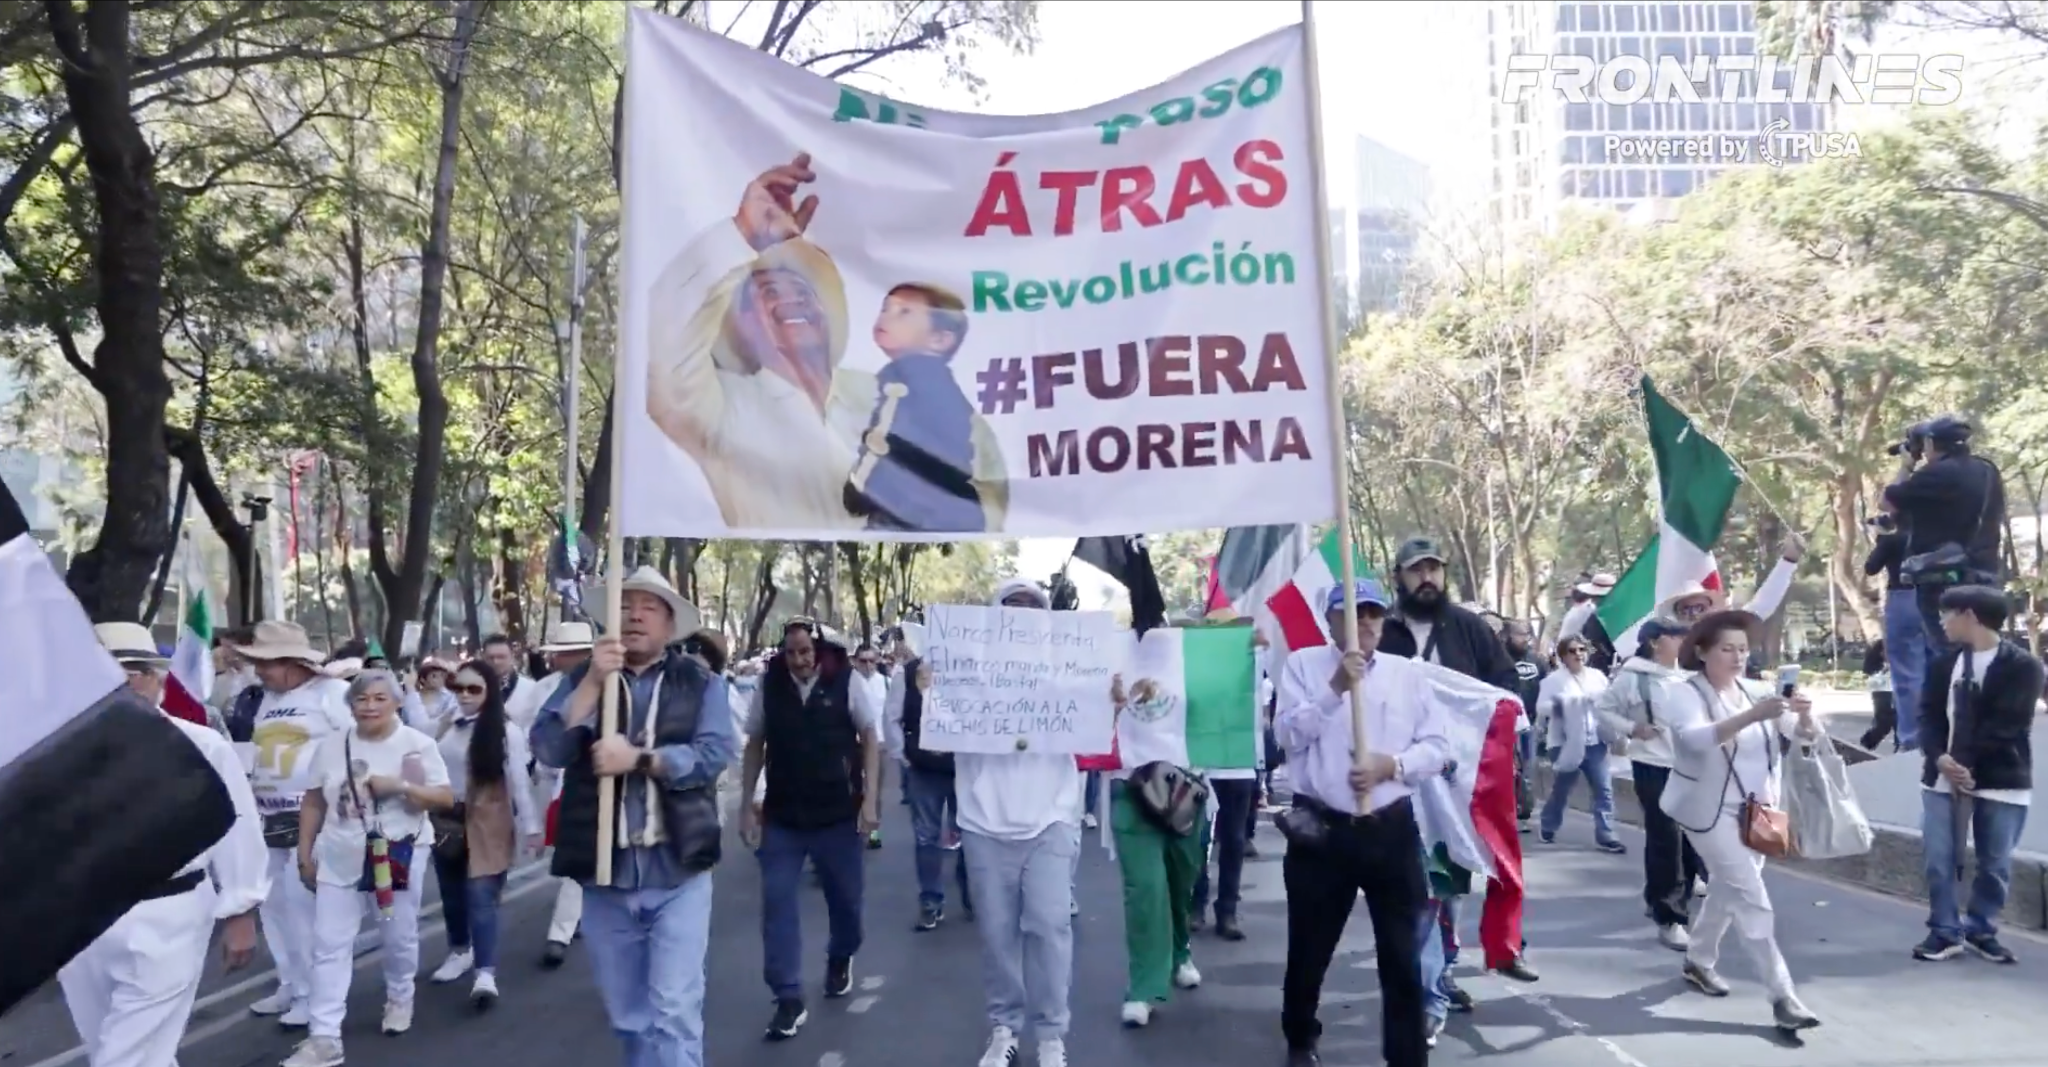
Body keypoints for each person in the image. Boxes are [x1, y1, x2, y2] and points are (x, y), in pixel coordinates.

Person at [645, 151, 1007, 532]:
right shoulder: (723, 410)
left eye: (803, 289)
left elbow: (986, 475)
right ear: (743, 323)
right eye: (768, 292)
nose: (792, 299)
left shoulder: (891, 392)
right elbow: (664, 346)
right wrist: (743, 234)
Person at [530, 567, 733, 1067]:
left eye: (649, 607)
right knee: (628, 1017)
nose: (635, 615)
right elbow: (549, 749)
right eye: (625, 605)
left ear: (669, 624)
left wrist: (642, 760)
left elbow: (713, 755)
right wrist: (592, 683)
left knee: (674, 1009)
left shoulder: (701, 682)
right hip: (605, 875)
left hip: (678, 868)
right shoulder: (583, 678)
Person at [62, 623, 267, 1067]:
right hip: (82, 918)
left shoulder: (202, 746)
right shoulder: (60, 751)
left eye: (136, 670)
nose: (126, 681)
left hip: (169, 913)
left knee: (123, 1057)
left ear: (158, 679)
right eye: (110, 671)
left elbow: (237, 828)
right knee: (125, 1048)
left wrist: (241, 909)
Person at [1274, 579, 1453, 1067]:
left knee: (1402, 956)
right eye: (1352, 613)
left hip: (1390, 832)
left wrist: (1391, 765)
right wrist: (1335, 690)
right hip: (1323, 832)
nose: (1365, 622)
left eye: (1373, 612)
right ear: (1331, 620)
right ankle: (1300, 1036)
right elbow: (1286, 735)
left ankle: (1407, 1056)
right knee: (1309, 948)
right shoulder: (1303, 666)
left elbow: (1438, 747)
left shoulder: (1407, 674)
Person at [1377, 536, 1532, 990]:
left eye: (1434, 569)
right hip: (1403, 774)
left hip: (1460, 776)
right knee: (1418, 877)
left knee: (1456, 870)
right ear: (1398, 578)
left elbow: (1504, 683)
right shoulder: (1381, 631)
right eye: (1416, 570)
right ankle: (1430, 982)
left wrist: (1498, 721)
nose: (1427, 578)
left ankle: (1445, 970)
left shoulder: (1468, 627)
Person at [1657, 610, 1821, 1030]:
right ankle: (1783, 995)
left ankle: (1698, 959)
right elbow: (1694, 740)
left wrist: (1803, 715)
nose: (1737, 657)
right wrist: (1752, 716)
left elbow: (1803, 736)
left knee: (1728, 889)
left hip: (1759, 813)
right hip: (1707, 812)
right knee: (1751, 897)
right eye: (1727, 649)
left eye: (1743, 649)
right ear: (1702, 652)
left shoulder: (1756, 691)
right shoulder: (1683, 693)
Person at [285, 669, 455, 1067]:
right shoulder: (332, 745)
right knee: (329, 944)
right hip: (340, 852)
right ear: (350, 705)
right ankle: (324, 1036)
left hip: (398, 852)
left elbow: (444, 798)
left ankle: (400, 995)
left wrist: (401, 786)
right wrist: (304, 853)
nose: (370, 706)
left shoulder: (416, 744)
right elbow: (314, 801)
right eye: (361, 699)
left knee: (397, 933)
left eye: (380, 698)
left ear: (397, 702)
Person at [962, 578, 1088, 1067]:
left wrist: (1112, 701)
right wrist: (930, 691)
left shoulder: (1068, 669)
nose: (1020, 616)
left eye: (1031, 608)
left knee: (1050, 926)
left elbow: (1094, 719)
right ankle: (1004, 1027)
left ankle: (1052, 1035)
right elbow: (937, 729)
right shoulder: (966, 669)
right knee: (997, 935)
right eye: (1012, 607)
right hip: (983, 820)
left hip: (1050, 817)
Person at [738, 618, 882, 1041]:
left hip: (837, 814)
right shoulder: (770, 685)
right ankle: (787, 996)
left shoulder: (847, 680)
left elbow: (870, 738)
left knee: (847, 903)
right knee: (777, 902)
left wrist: (870, 800)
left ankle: (841, 954)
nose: (799, 660)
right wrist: (746, 804)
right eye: (791, 652)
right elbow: (755, 743)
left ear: (818, 650)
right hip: (783, 815)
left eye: (805, 651)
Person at [230, 621, 354, 1030]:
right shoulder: (268, 699)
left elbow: (356, 747)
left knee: (304, 910)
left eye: (266, 663)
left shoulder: (331, 694)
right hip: (268, 819)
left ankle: (313, 995)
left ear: (292, 661)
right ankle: (291, 981)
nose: (260, 671)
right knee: (275, 907)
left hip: (312, 821)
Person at [1913, 585, 2043, 964]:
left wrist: (1966, 766)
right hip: (1942, 775)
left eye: (1947, 613)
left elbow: (2009, 725)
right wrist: (1940, 759)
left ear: (1969, 615)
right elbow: (1928, 717)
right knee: (1938, 859)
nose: (1942, 621)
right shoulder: (1943, 663)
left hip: (2001, 777)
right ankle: (1944, 931)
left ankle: (1981, 928)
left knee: (1995, 863)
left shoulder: (2023, 666)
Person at [427, 660, 543, 1003]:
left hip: (488, 819)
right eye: (458, 687)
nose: (464, 695)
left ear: (490, 692)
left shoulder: (506, 731)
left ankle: (485, 973)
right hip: (446, 818)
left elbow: (519, 783)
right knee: (451, 893)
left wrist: (531, 828)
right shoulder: (448, 723)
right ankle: (459, 950)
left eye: (473, 689)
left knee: (481, 897)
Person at [844, 282, 987, 532]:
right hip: (948, 508)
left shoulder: (905, 382)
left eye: (904, 312)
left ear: (939, 339)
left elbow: (883, 439)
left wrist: (860, 485)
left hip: (911, 512)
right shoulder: (938, 384)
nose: (887, 317)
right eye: (885, 308)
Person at [1593, 616, 1700, 950]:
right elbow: (1603, 709)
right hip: (1652, 765)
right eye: (1676, 637)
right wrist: (1632, 729)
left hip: (1689, 766)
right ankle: (1670, 917)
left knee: (1692, 840)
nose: (1683, 642)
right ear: (1655, 642)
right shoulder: (1633, 677)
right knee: (1666, 839)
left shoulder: (1688, 676)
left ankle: (1663, 897)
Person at [1884, 416, 2007, 669]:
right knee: (1985, 651)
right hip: (1986, 574)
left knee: (1949, 655)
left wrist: (1907, 466)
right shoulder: (1988, 470)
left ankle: (1958, 695)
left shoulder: (1935, 474)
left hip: (1944, 579)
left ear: (1930, 442)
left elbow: (1888, 503)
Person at [509, 620, 597, 967]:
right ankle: (581, 912)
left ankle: (559, 932)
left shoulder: (608, 683)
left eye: (572, 653)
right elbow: (524, 728)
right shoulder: (542, 688)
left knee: (581, 855)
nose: (562, 659)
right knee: (570, 854)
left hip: (592, 779)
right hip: (552, 779)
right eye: (560, 653)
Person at [889, 626, 973, 930]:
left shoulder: (973, 672)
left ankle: (973, 894)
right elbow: (892, 717)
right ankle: (931, 901)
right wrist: (904, 756)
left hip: (965, 768)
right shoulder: (908, 672)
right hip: (924, 768)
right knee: (926, 836)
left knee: (971, 835)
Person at [1534, 636, 1623, 853]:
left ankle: (1606, 834)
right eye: (1572, 651)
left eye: (1582, 649)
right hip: (1565, 743)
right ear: (1563, 656)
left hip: (1595, 741)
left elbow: (1609, 701)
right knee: (1562, 789)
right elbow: (1542, 707)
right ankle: (1548, 825)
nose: (1578, 654)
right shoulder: (1554, 680)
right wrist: (1571, 703)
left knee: (1604, 789)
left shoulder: (1597, 676)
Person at [1865, 501, 1919, 749]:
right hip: (1928, 599)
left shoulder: (1891, 541)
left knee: (1903, 670)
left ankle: (1908, 738)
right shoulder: (1926, 539)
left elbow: (1871, 568)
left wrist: (1879, 540)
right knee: (1924, 664)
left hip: (1901, 598)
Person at [1499, 620, 1546, 832]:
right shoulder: (1498, 659)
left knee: (1528, 768)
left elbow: (1546, 688)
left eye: (1527, 634)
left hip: (1530, 724)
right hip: (1505, 723)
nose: (1524, 639)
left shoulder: (1538, 661)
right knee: (1507, 770)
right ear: (1507, 636)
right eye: (1519, 634)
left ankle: (1524, 811)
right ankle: (1509, 812)